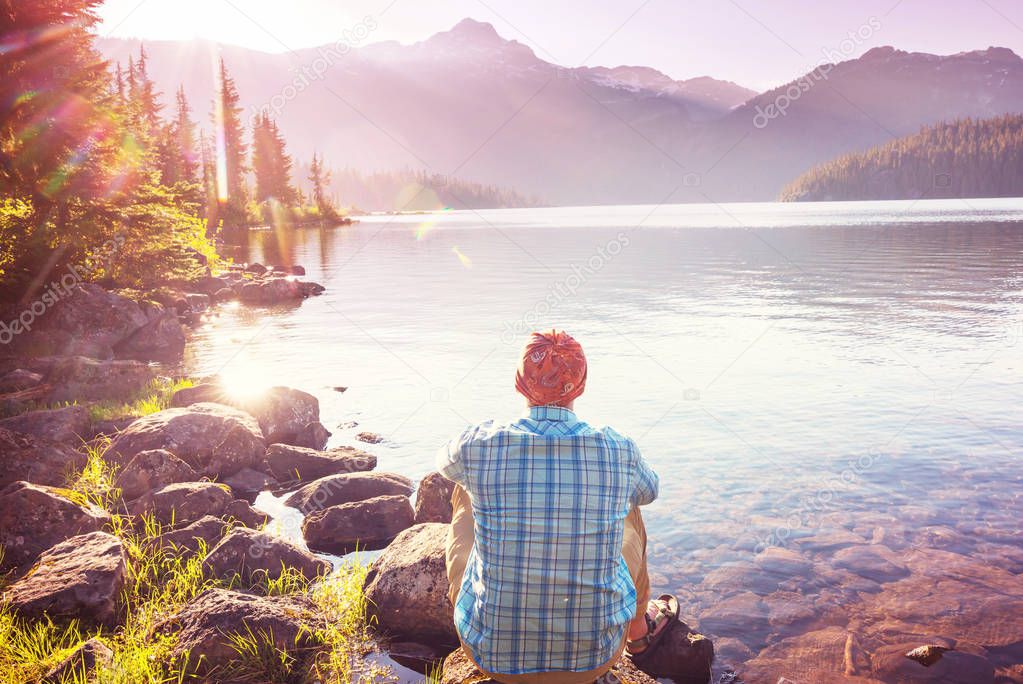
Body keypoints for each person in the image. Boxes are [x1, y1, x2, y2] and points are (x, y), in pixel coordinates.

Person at [438, 329, 677, 684]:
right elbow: (650, 490)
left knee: (463, 488)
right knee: (630, 504)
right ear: (580, 385)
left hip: (492, 657)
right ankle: (639, 630)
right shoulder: (618, 449)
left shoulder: (479, 444)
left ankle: (497, 608)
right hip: (593, 660)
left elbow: (444, 464)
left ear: (520, 383)